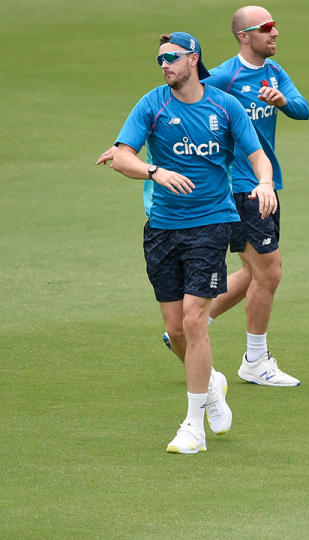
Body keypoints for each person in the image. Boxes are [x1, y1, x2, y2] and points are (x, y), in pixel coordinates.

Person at [99, 5, 309, 387]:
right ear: (244, 35)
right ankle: (253, 357)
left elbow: (304, 110)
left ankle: (197, 324)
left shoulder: (274, 72)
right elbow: (185, 105)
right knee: (268, 271)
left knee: (256, 273)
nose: (275, 32)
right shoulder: (222, 79)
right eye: (266, 27)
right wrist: (126, 151)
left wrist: (282, 103)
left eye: (275, 26)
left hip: (265, 184)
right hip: (234, 191)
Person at [105, 32, 277, 453]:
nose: (164, 64)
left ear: (193, 59)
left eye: (172, 57)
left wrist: (266, 182)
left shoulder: (224, 105)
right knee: (175, 328)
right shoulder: (152, 104)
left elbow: (256, 154)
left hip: (211, 224)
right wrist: (153, 171)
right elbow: (121, 155)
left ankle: (193, 425)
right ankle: (212, 387)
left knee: (196, 319)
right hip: (162, 227)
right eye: (160, 58)